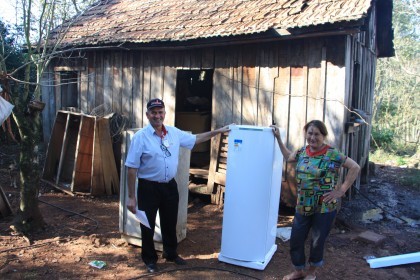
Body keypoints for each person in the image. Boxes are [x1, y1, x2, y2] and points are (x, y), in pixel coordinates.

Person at [125, 98, 231, 273]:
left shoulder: (173, 133)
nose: (157, 116)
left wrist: (217, 131)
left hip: (169, 186)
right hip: (147, 188)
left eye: (160, 112)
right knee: (147, 225)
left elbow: (195, 139)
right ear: (147, 115)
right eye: (154, 112)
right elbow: (131, 168)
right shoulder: (140, 138)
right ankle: (150, 259)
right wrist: (131, 197)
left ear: (164, 114)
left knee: (170, 221)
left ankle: (171, 253)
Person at [271, 120, 360, 280]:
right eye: (310, 133)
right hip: (303, 206)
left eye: (316, 134)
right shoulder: (302, 152)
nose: (312, 137)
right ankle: (298, 271)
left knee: (317, 241)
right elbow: (287, 156)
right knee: (296, 239)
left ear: (323, 135)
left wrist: (341, 190)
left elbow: (355, 167)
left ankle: (311, 272)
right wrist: (278, 138)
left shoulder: (332, 153)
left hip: (324, 208)